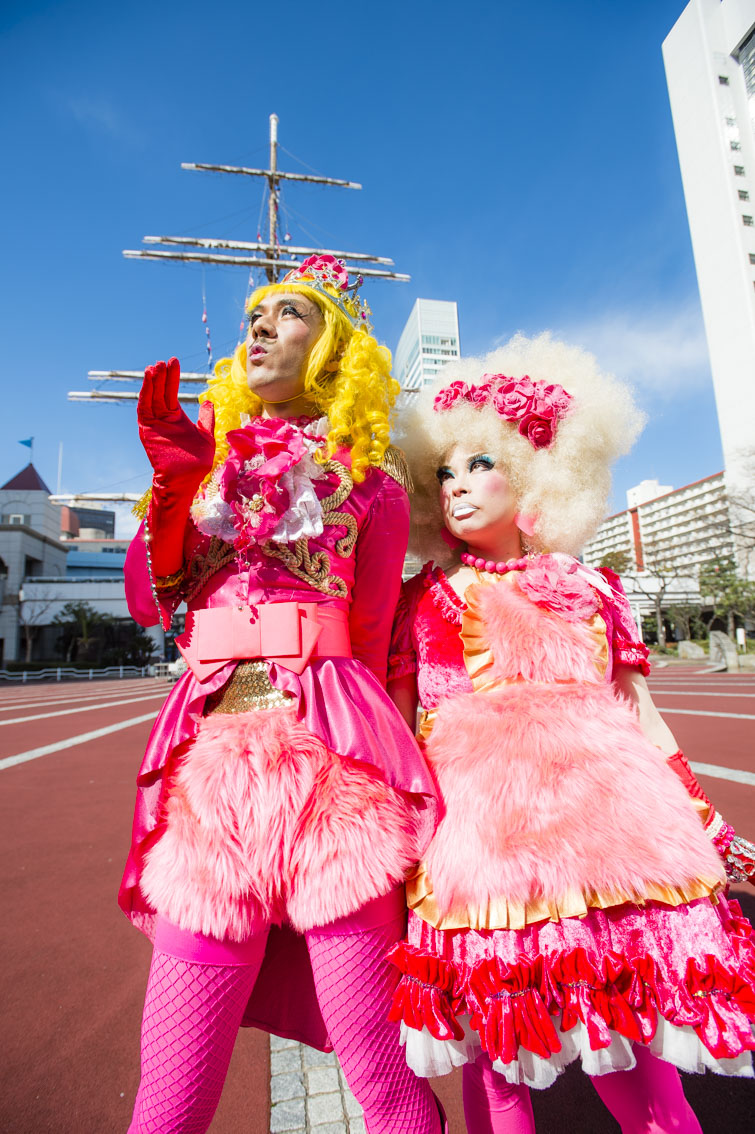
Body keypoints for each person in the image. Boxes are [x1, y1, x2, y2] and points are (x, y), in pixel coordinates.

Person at [386, 333, 755, 1133]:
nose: (454, 485)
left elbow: (639, 715)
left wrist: (703, 818)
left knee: (642, 1060)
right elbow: (403, 727)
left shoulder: (592, 586)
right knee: (498, 1065)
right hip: (480, 846)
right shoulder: (418, 600)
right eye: (442, 471)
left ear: (534, 469)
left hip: (615, 842)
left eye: (478, 463)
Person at [120, 255, 446, 1133]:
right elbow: (153, 600)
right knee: (170, 1094)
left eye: (287, 314)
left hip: (338, 778)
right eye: (253, 317)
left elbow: (375, 638)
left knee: (382, 1077)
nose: (259, 327)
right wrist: (174, 490)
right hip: (213, 783)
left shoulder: (372, 487)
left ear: (333, 346)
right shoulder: (203, 466)